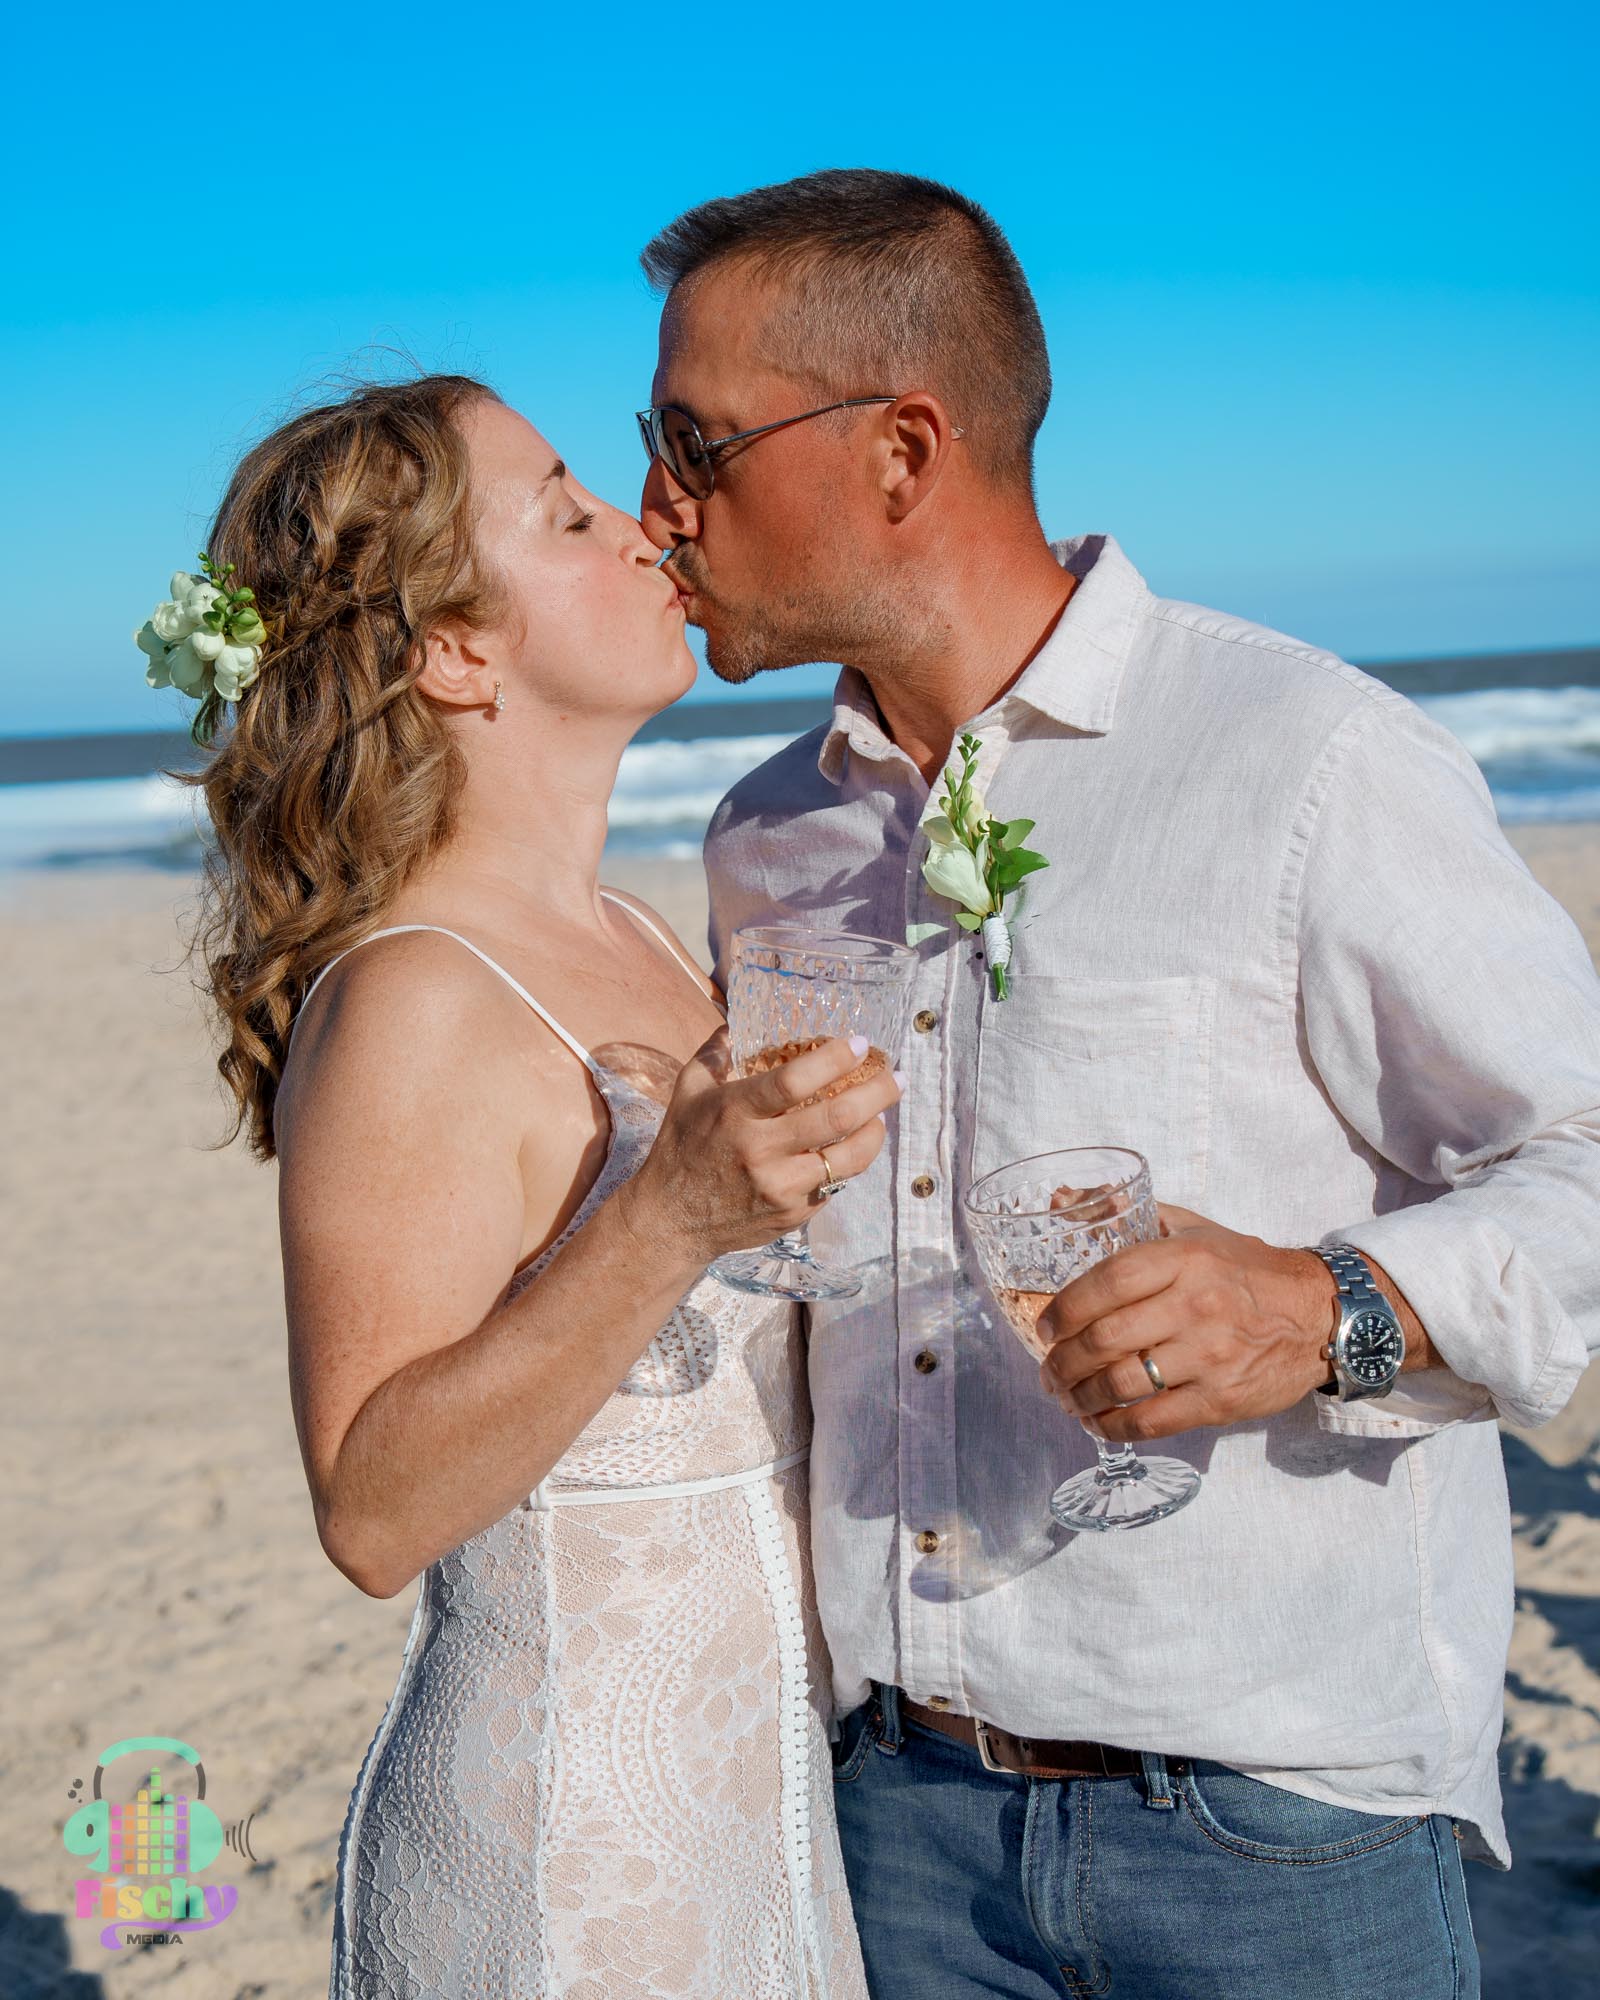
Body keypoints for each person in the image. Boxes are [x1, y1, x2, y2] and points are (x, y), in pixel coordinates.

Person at [636, 168, 1600, 2000]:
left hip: (1273, 1835)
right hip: (890, 1831)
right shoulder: (767, 836)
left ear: (903, 446)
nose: (656, 504)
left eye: (694, 438)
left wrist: (1335, 1309)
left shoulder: (1307, 758)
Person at [176, 374, 893, 1996]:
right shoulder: (412, 996)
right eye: (570, 514)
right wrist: (669, 1219)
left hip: (772, 1826)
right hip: (569, 1873)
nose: (644, 531)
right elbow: (372, 1509)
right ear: (453, 651)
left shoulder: (645, 935)